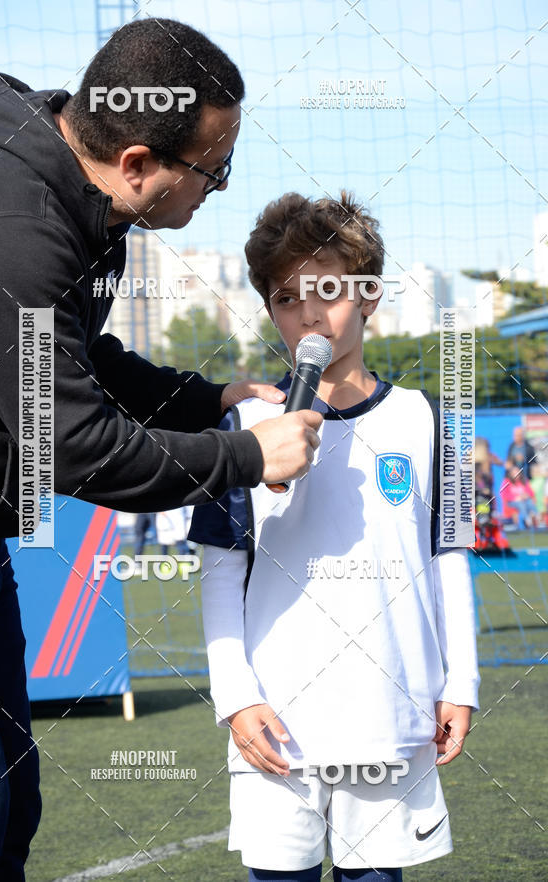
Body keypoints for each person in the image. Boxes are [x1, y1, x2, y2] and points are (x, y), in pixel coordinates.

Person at [0, 19, 322, 880]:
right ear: (138, 162)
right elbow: (72, 447)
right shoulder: (11, 219)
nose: (219, 189)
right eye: (213, 168)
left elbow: (78, 357)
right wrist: (245, 458)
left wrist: (210, 398)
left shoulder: (70, 195)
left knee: (5, 811)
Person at [189, 191, 480, 882]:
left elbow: (451, 557)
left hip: (390, 714)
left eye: (328, 289)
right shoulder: (240, 429)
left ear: (369, 295)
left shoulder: (430, 420)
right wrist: (236, 697)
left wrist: (460, 681)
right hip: (277, 724)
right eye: (288, 297)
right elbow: (221, 571)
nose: (310, 312)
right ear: (269, 310)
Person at [500, 465, 538, 530]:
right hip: (512, 502)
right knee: (521, 504)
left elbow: (530, 492)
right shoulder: (506, 481)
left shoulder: (524, 481)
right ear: (510, 474)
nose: (516, 474)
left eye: (517, 472)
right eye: (514, 473)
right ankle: (527, 520)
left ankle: (536, 516)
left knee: (529, 502)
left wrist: (526, 495)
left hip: (525, 501)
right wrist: (515, 498)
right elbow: (503, 494)